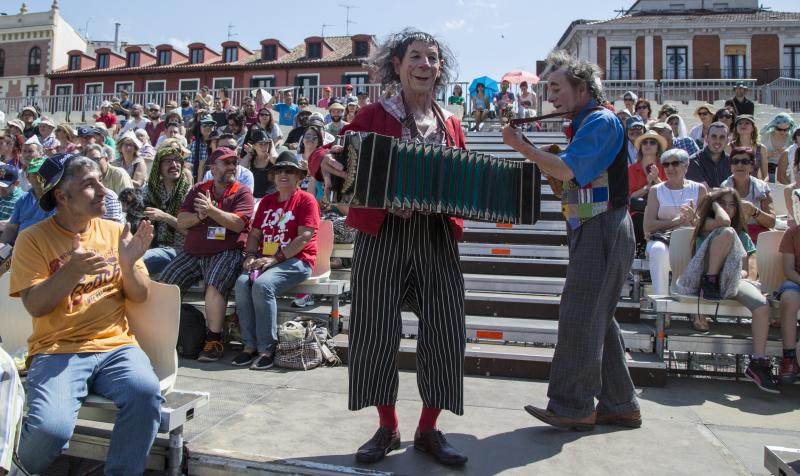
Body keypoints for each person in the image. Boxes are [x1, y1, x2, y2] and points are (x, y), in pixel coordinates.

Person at [312, 28, 468, 466]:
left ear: (440, 68)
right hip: (382, 234)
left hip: (436, 237)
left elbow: (460, 180)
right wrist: (322, 158)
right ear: (396, 66)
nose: (424, 64)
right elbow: (330, 151)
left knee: (445, 331)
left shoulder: (451, 122)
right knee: (375, 330)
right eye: (414, 57)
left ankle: (428, 430)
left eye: (432, 58)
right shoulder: (372, 115)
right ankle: (387, 426)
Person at [503, 50, 640, 432]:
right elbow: (571, 180)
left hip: (602, 227)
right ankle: (620, 403)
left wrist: (523, 148)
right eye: (548, 88)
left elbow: (567, 170)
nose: (551, 96)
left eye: (557, 87)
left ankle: (573, 406)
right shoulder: (589, 123)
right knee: (599, 317)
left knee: (580, 315)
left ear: (583, 87)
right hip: (594, 226)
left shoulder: (599, 121)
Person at [9, 152, 162, 475]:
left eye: (101, 182)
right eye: (90, 185)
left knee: (146, 395)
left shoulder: (114, 230)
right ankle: (16, 470)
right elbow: (35, 305)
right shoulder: (32, 239)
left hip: (116, 347)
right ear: (62, 196)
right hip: (58, 350)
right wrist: (72, 270)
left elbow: (141, 294)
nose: (104, 191)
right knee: (50, 430)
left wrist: (126, 264)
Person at [159, 147, 254, 362]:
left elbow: (239, 224)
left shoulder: (242, 192)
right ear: (213, 168)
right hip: (193, 252)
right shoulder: (199, 189)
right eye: (226, 163)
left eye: (234, 163)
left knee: (214, 284)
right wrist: (200, 216)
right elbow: (182, 221)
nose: (231, 167)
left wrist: (211, 210)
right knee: (164, 284)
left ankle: (214, 340)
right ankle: (163, 336)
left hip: (226, 251)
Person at [677, 188, 773, 392]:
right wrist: (713, 204)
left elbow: (750, 268)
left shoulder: (743, 235)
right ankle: (710, 281)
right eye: (723, 204)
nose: (728, 209)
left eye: (732, 205)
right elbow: (726, 223)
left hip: (730, 280)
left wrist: (744, 275)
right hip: (700, 277)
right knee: (728, 232)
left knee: (763, 307)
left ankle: (758, 362)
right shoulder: (706, 225)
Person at [233, 151, 318, 369]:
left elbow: (304, 237)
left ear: (298, 177)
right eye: (279, 170)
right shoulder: (267, 201)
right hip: (266, 258)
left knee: (262, 285)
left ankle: (267, 349)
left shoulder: (306, 200)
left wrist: (275, 258)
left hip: (298, 260)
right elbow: (254, 234)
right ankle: (249, 347)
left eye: (289, 171)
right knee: (242, 284)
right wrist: (251, 255)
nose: (283, 175)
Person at [643, 149, 706, 329]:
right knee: (657, 251)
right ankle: (663, 310)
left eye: (675, 163)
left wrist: (693, 219)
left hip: (691, 240)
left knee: (703, 250)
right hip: (663, 239)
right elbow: (648, 226)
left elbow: (707, 223)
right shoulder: (656, 191)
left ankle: (698, 312)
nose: (670, 168)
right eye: (666, 164)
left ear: (686, 166)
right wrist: (676, 221)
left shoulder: (699, 189)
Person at [141, 146, 191, 274]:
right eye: (168, 161)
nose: (174, 165)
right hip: (150, 246)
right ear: (159, 166)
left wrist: (164, 217)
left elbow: (192, 233)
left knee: (138, 260)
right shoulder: (149, 191)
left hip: (180, 250)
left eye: (177, 161)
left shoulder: (190, 193)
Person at [720, 147, 776, 244]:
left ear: (752, 166)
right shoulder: (724, 188)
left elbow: (771, 222)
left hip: (759, 236)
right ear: (731, 166)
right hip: (733, 236)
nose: (739, 165)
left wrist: (754, 211)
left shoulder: (763, 187)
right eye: (735, 161)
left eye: (744, 162)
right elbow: (720, 222)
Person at [0, 157, 54, 245]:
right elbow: (12, 229)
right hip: (20, 247)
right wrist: (2, 247)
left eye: (44, 173)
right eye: (35, 174)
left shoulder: (58, 199)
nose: (40, 178)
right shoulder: (23, 200)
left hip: (44, 248)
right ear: (28, 177)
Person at [628, 131, 667, 249]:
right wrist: (647, 188)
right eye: (645, 142)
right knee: (638, 217)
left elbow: (669, 193)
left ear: (658, 148)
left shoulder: (666, 167)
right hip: (638, 211)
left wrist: (656, 179)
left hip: (661, 210)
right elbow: (630, 196)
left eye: (652, 142)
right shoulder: (632, 169)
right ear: (640, 148)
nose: (648, 145)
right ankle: (640, 248)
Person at [775, 223, 800, 384]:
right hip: (796, 280)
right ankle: (789, 358)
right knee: (789, 298)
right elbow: (789, 270)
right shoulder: (792, 233)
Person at [686, 122, 731, 188]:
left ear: (727, 140)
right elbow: (704, 191)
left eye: (722, 137)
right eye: (714, 136)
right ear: (706, 138)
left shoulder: (732, 162)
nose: (717, 141)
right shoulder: (693, 161)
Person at [240, 128, 277, 198]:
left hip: (271, 198)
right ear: (254, 146)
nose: (264, 147)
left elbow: (275, 158)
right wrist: (250, 153)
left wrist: (272, 147)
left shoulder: (272, 159)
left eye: (266, 143)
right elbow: (241, 168)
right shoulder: (252, 159)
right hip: (254, 198)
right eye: (260, 144)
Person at [729, 115, 768, 180]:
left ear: (753, 128)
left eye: (747, 123)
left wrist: (762, 185)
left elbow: (765, 175)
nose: (743, 125)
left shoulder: (761, 148)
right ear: (736, 128)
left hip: (754, 187)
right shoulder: (729, 147)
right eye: (740, 123)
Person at [762, 113, 796, 182]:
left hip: (786, 168)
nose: (782, 132)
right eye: (779, 129)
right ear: (774, 127)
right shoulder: (766, 136)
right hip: (769, 166)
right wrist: (768, 154)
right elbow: (758, 155)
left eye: (786, 129)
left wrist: (788, 152)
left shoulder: (791, 139)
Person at [189, 114, 217, 183]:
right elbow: (190, 166)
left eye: (211, 125)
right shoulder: (194, 145)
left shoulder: (219, 143)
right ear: (199, 128)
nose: (208, 127)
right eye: (204, 125)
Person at [0, 163, 23, 233]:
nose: (0, 188)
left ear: (16, 183)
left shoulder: (21, 199)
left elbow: (11, 224)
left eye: (4, 186)